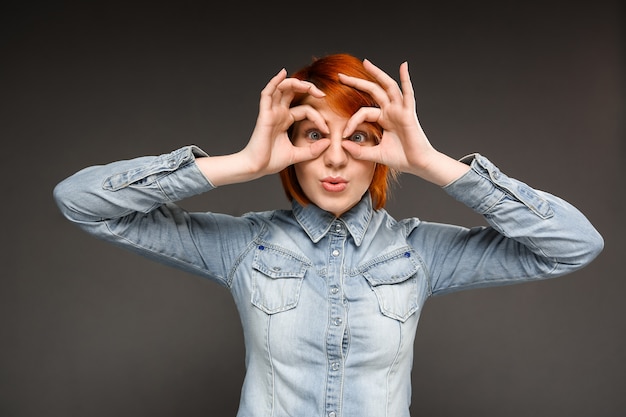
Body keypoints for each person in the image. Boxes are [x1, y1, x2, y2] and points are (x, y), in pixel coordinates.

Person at [53, 53, 603, 417]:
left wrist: (431, 162)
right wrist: (240, 163)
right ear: (288, 144)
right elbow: (82, 202)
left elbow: (574, 244)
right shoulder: (245, 247)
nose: (336, 158)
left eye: (359, 136)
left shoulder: (420, 253)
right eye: (314, 134)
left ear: (382, 147)